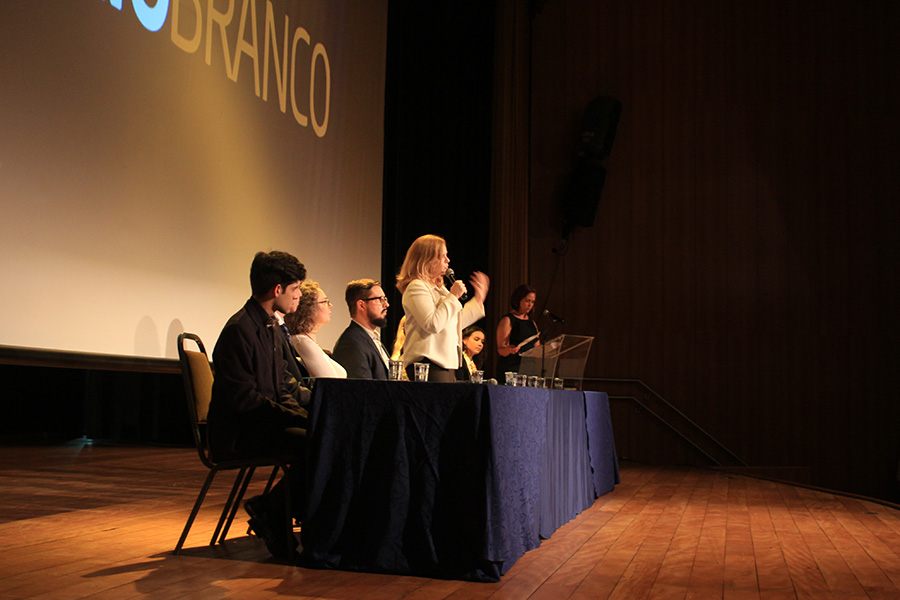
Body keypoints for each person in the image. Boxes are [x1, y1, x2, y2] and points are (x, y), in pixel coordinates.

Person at [207, 250, 310, 560]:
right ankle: (275, 512)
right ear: (277, 289)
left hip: (265, 424)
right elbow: (246, 401)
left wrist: (302, 415)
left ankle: (275, 510)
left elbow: (282, 389)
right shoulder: (239, 330)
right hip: (241, 433)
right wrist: (300, 419)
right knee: (319, 444)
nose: (299, 295)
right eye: (296, 289)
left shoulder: (270, 328)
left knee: (326, 437)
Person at [397, 234, 489, 382]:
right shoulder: (416, 287)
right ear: (427, 259)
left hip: (446, 363)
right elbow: (432, 324)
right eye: (442, 256)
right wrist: (453, 296)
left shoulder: (440, 289)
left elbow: (455, 322)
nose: (448, 260)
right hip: (428, 363)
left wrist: (478, 299)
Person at [284, 281, 347, 378]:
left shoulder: (305, 341)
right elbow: (329, 381)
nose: (330, 305)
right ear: (307, 308)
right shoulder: (301, 341)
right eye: (324, 302)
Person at [331, 279, 392, 380]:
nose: (386, 304)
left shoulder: (371, 338)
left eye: (385, 299)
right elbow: (362, 387)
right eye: (380, 299)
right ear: (361, 305)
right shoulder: (352, 343)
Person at [495, 284, 540, 378]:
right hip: (511, 368)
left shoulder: (531, 322)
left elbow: (537, 347)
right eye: (527, 301)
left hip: (529, 369)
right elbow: (501, 349)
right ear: (518, 300)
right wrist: (509, 350)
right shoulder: (508, 320)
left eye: (532, 302)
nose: (530, 305)